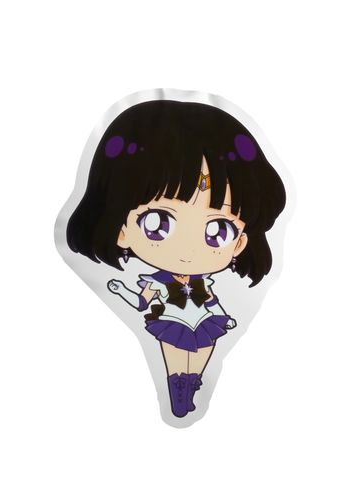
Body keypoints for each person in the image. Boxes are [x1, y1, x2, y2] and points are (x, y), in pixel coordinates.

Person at [66, 100, 286, 417]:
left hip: (204, 320)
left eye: (218, 229)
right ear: (121, 229)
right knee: (176, 353)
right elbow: (141, 303)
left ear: (240, 242)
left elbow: (210, 301)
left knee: (204, 349)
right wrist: (120, 290)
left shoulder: (204, 283)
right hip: (173, 320)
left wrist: (223, 316)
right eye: (158, 224)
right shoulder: (156, 282)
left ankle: (192, 380)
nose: (188, 251)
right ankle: (177, 384)